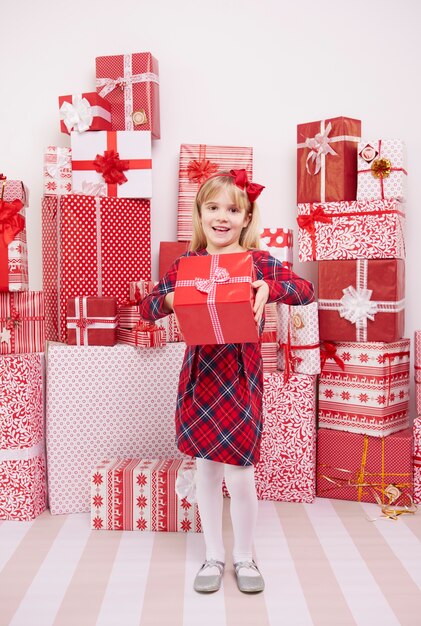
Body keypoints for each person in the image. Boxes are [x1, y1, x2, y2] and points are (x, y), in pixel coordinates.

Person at [138, 169, 314, 594]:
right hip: (201, 376)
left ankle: (245, 556)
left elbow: (305, 290)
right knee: (206, 470)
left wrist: (268, 289)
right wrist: (169, 298)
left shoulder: (257, 262)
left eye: (232, 210)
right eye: (212, 207)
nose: (222, 217)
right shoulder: (186, 265)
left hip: (241, 375)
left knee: (240, 472)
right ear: (199, 213)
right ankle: (213, 555)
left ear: (247, 216)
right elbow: (146, 308)